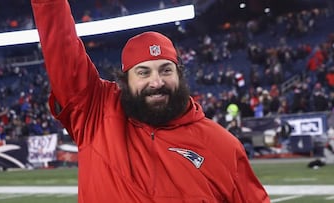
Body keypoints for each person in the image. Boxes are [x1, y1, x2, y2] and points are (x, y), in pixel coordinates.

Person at [31, 0, 270, 202]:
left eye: (166, 70)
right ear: (124, 81)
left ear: (180, 75)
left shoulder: (223, 146)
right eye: (143, 72)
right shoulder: (95, 115)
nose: (156, 82)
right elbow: (60, 42)